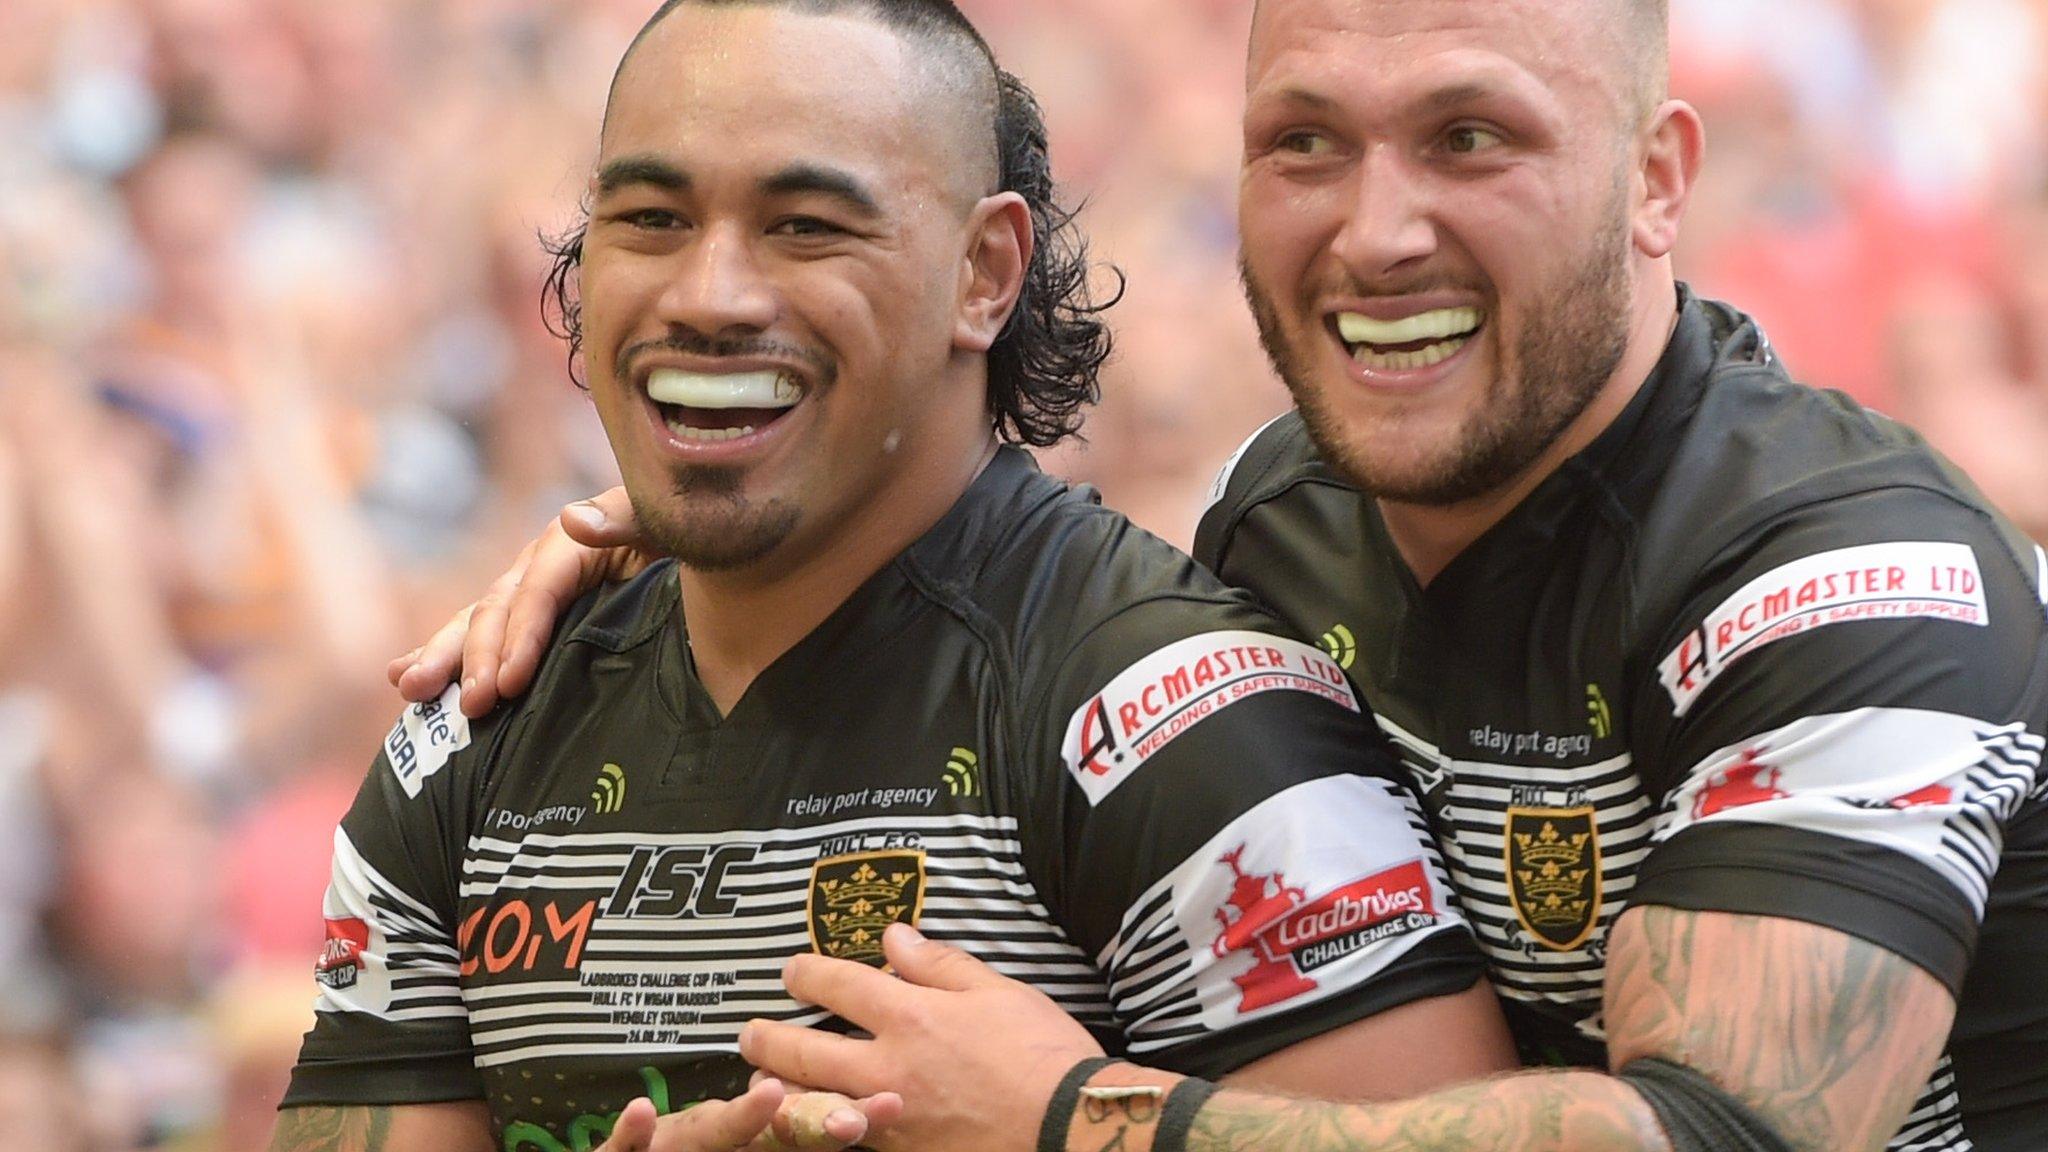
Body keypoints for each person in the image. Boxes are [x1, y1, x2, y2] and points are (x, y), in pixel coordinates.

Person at [403, 0, 2048, 1150]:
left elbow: (1721, 1133)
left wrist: (1080, 1116)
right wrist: (700, 528)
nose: (1375, 228)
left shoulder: (1853, 571)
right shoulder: (1286, 516)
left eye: (1468, 139)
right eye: (1305, 144)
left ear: (1656, 178)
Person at [272, 2, 1522, 1151]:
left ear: (984, 272)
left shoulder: (1184, 719)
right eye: (649, 218)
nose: (708, 295)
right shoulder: (467, 740)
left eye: (805, 225)